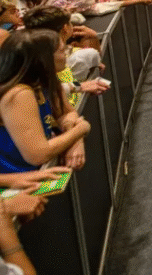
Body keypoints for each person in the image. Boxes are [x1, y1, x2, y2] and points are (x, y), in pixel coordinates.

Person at [0, 30, 93, 173]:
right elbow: (38, 154)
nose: (66, 55)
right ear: (45, 59)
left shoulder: (46, 81)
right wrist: (81, 129)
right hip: (18, 180)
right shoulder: (19, 94)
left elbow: (66, 113)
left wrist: (74, 138)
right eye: (62, 51)